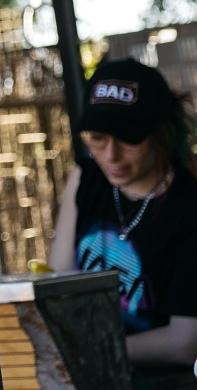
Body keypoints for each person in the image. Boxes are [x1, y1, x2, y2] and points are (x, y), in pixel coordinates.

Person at [50, 58, 197, 387]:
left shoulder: (189, 208)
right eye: (98, 137)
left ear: (161, 133)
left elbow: (183, 343)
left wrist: (89, 349)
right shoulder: (85, 178)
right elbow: (58, 281)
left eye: (128, 138)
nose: (111, 155)